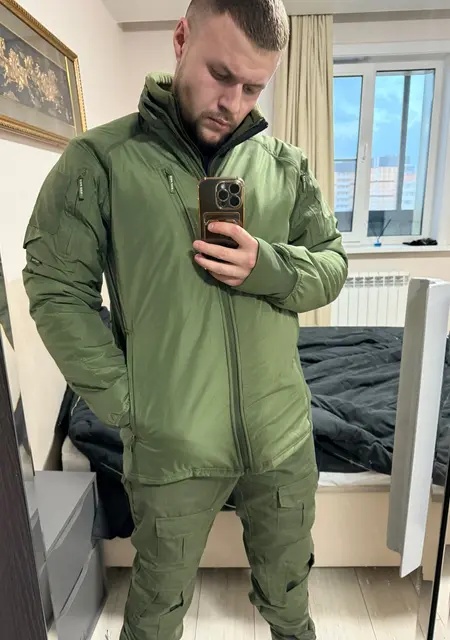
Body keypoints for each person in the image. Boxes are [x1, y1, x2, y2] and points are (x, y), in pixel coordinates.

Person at [22, 0, 348, 638]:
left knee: (290, 598)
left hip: (280, 436)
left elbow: (332, 264)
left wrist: (267, 266)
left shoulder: (285, 166)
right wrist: (129, 401)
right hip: (172, 445)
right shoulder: (101, 160)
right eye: (221, 74)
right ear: (180, 39)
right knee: (156, 611)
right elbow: (56, 288)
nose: (234, 102)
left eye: (254, 87)